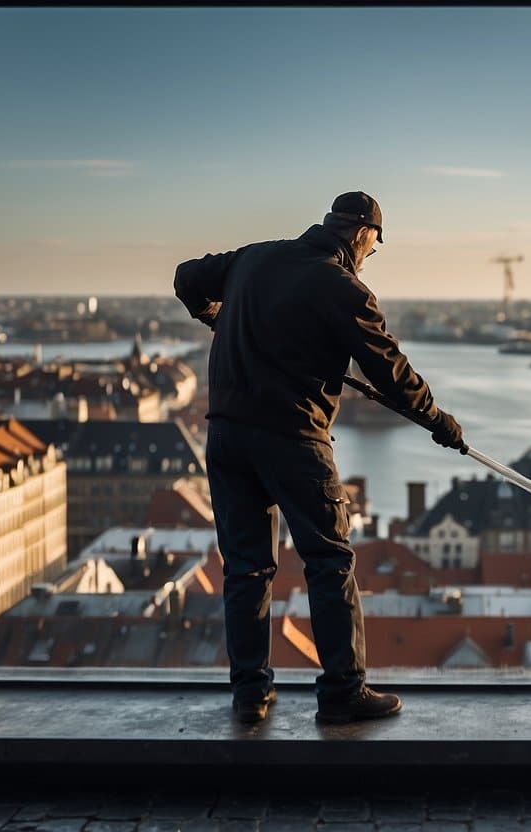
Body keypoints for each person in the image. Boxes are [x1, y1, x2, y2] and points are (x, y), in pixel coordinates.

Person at [173, 191, 465, 724]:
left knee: (245, 569)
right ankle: (342, 693)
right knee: (329, 561)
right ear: (361, 234)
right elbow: (391, 373)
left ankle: (250, 695)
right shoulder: (343, 288)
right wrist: (440, 423)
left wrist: (216, 317)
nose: (370, 256)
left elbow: (186, 276)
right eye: (374, 247)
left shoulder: (255, 257)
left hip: (228, 437)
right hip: (293, 439)